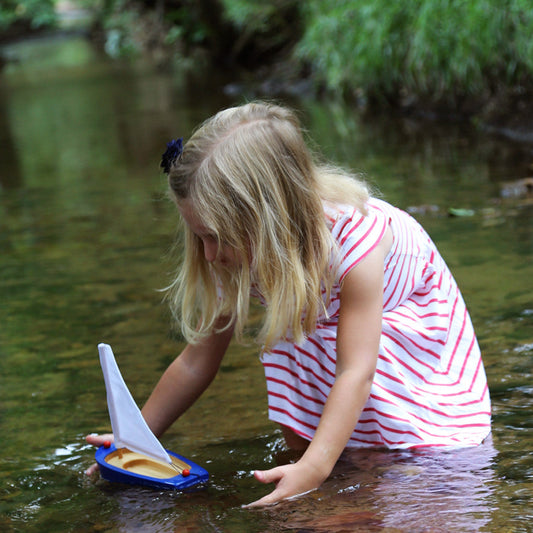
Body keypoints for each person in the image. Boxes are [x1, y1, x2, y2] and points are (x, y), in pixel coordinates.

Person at [86, 101, 491, 506]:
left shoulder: (358, 242)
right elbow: (196, 362)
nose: (209, 255)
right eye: (200, 238)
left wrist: (315, 469)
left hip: (399, 344)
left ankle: (373, 466)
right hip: (326, 325)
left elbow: (356, 370)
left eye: (216, 237)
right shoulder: (239, 251)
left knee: (412, 467)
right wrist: (137, 436)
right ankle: (340, 462)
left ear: (268, 218)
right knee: (289, 329)